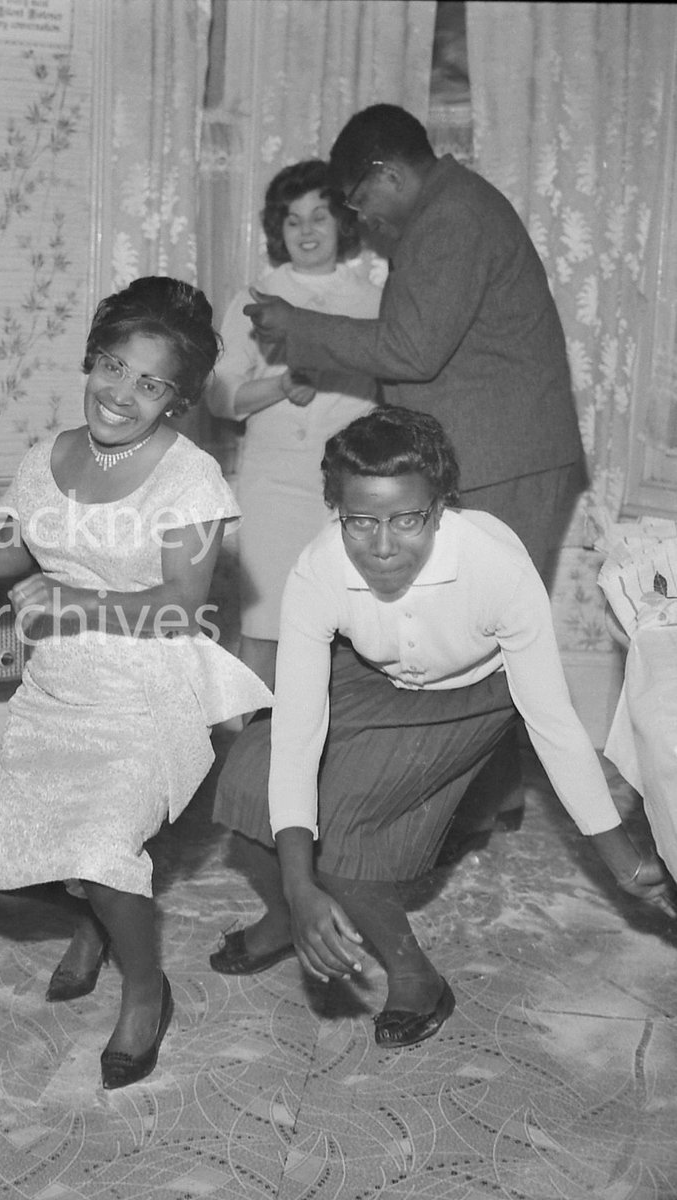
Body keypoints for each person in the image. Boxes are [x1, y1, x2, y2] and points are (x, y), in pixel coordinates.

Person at [0, 277, 272, 1089]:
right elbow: (11, 554)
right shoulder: (47, 457)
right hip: (58, 683)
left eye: (149, 383)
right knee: (30, 860)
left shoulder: (191, 481)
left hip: (148, 685)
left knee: (104, 847)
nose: (120, 393)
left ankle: (145, 988)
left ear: (176, 399)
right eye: (111, 366)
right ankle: (95, 928)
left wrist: (76, 598)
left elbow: (180, 609)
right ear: (90, 360)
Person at [208, 407, 673, 1047]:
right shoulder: (318, 570)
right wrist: (298, 885)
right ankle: (292, 916)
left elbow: (553, 720)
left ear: (441, 506)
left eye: (408, 519)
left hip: (474, 691)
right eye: (360, 520)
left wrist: (617, 852)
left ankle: (416, 977)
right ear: (335, 509)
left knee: (344, 833)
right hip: (371, 674)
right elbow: (297, 732)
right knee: (251, 770)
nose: (382, 545)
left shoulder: (495, 567)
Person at [242, 103, 587, 847]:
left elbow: (410, 350)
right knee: (477, 633)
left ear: (386, 175)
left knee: (489, 635)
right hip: (493, 452)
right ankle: (483, 802)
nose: (358, 217)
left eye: (357, 200)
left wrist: (298, 329)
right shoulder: (444, 213)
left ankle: (475, 803)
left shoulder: (451, 218)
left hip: (507, 458)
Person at [206, 159, 381, 688]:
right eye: (293, 220)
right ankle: (258, 751)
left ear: (342, 224)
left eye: (319, 217)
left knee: (348, 625)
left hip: (350, 486)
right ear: (277, 230)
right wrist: (282, 385)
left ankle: (338, 752)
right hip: (274, 486)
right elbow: (220, 396)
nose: (307, 231)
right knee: (266, 625)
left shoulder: (374, 301)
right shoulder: (255, 297)